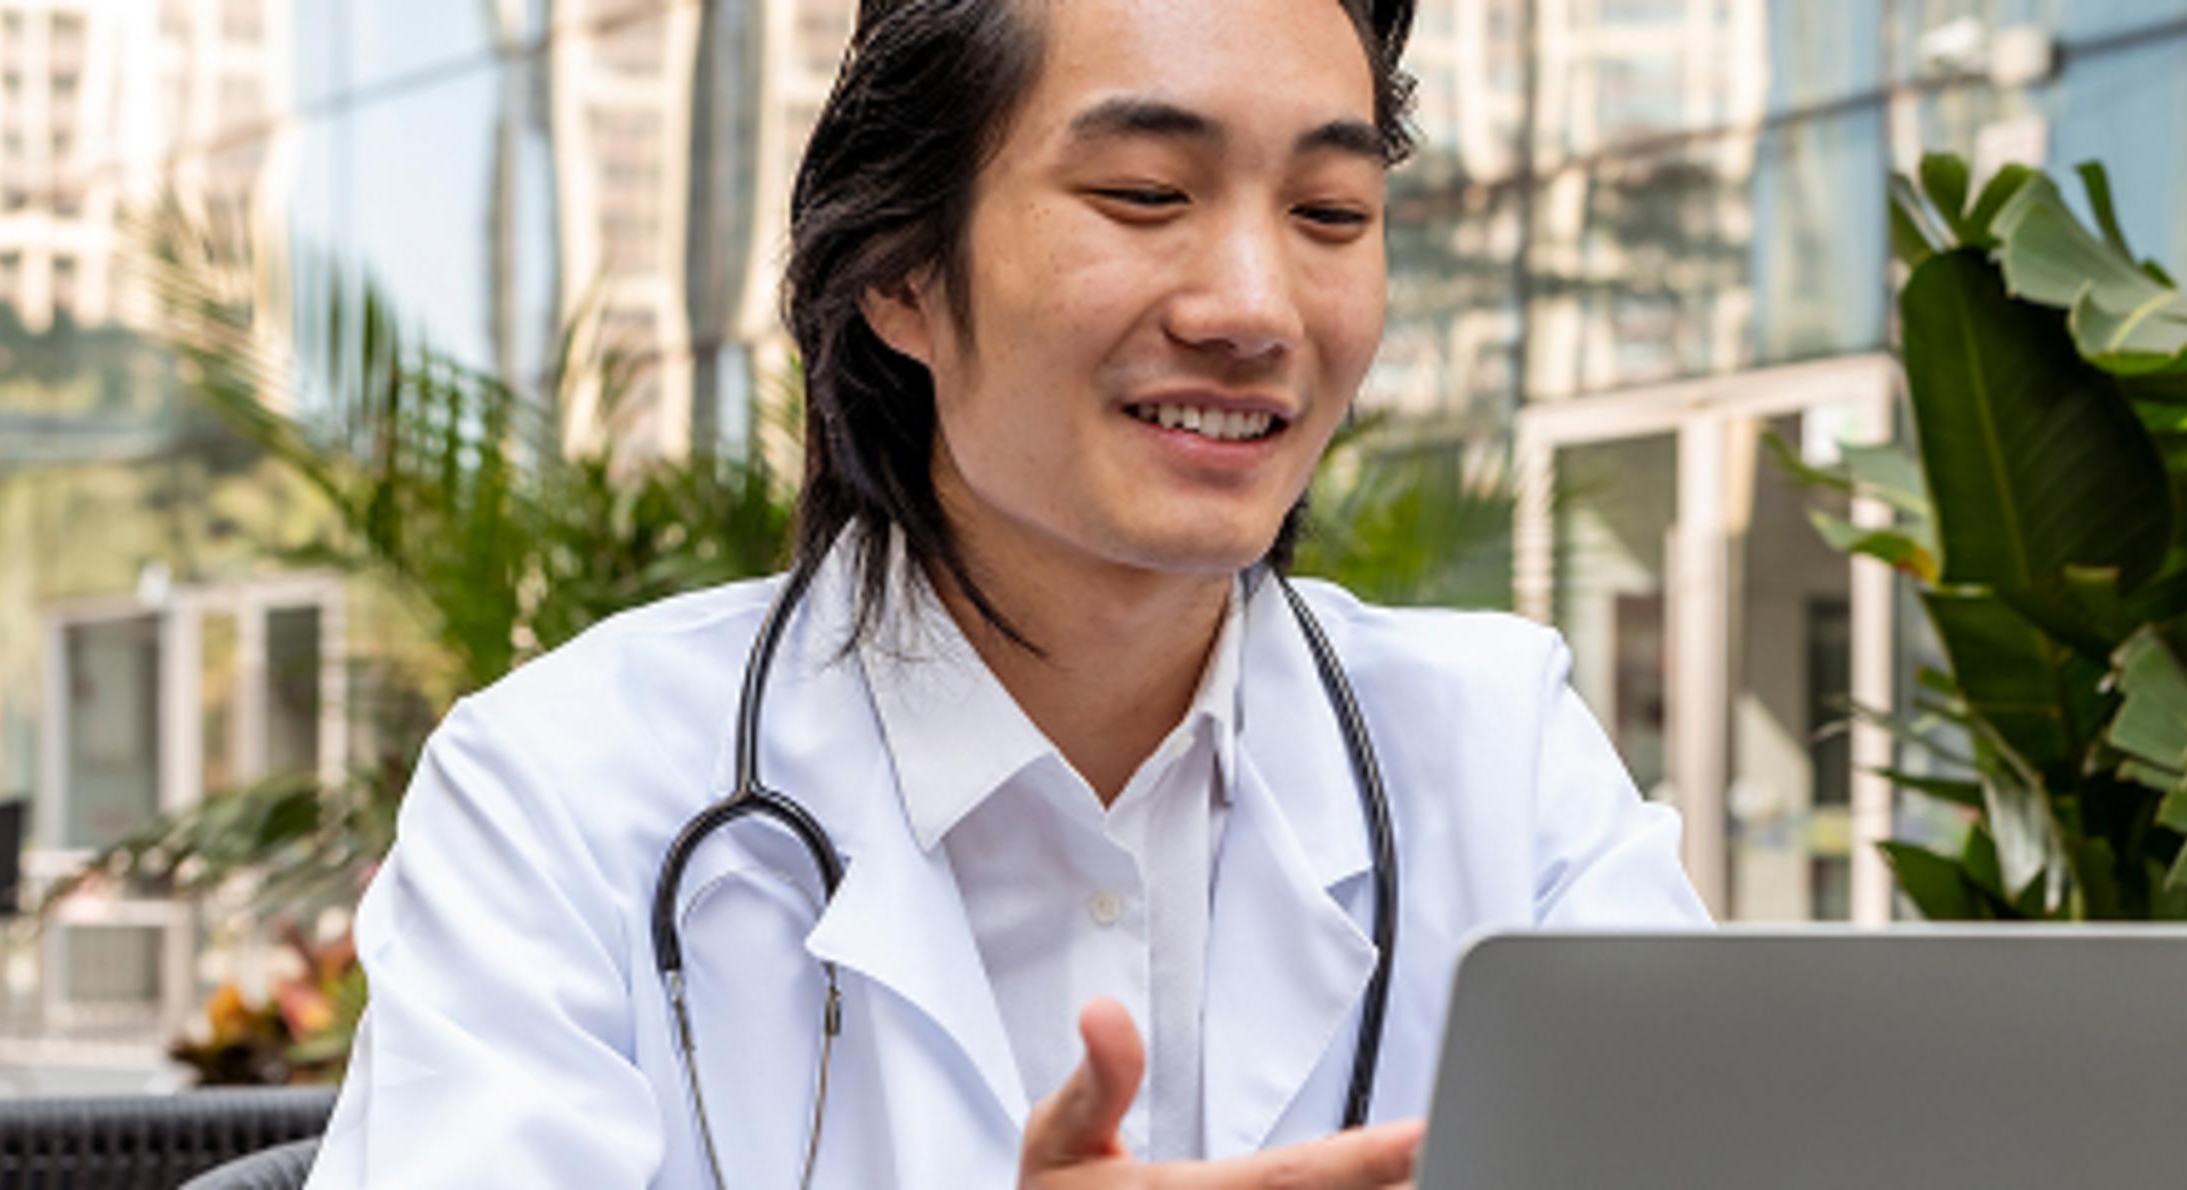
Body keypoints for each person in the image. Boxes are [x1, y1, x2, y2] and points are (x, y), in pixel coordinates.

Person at [302, 0, 1707, 1184]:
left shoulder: (1502, 761)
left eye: (1330, 213)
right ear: (902, 271)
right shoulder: (558, 794)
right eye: (1145, 194)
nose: (1255, 307)